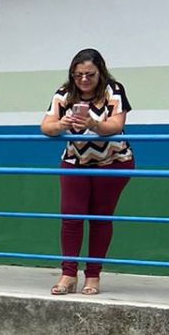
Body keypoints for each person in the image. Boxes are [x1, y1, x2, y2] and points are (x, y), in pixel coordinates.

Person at [40, 48, 134, 296]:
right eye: (78, 74)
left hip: (113, 162)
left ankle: (93, 276)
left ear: (100, 72)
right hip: (75, 162)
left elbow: (117, 124)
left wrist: (94, 124)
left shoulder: (113, 90)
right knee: (71, 218)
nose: (83, 79)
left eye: (89, 74)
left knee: (101, 219)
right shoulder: (63, 94)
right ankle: (68, 274)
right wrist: (60, 125)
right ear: (72, 74)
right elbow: (45, 126)